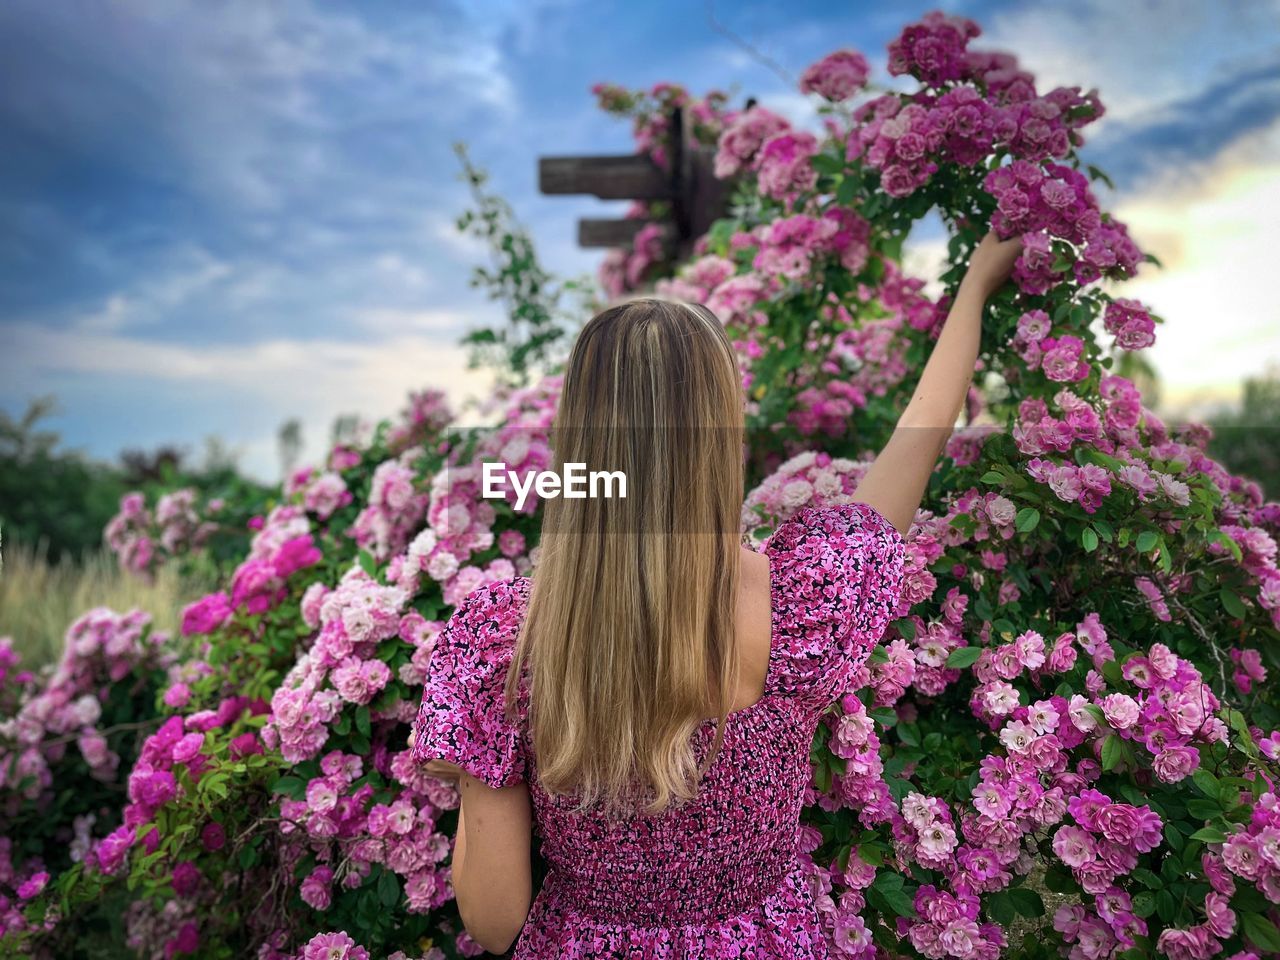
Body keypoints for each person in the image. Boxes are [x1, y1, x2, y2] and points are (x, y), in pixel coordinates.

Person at [409, 230, 1022, 957]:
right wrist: (976, 286)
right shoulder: (804, 600)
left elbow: (496, 917)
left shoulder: (504, 640)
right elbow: (914, 445)